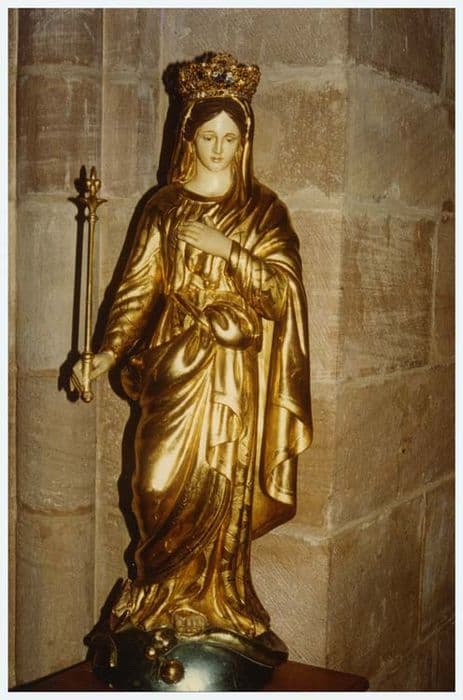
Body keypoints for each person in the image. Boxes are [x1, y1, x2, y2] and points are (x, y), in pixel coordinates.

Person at [74, 53, 312, 658]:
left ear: (245, 141)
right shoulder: (162, 206)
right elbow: (135, 290)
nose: (219, 149)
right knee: (150, 485)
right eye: (208, 137)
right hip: (172, 367)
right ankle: (155, 597)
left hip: (229, 375)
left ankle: (216, 606)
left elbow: (280, 295)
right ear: (188, 136)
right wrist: (104, 353)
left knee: (219, 482)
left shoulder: (264, 211)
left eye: (230, 138)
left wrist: (227, 249)